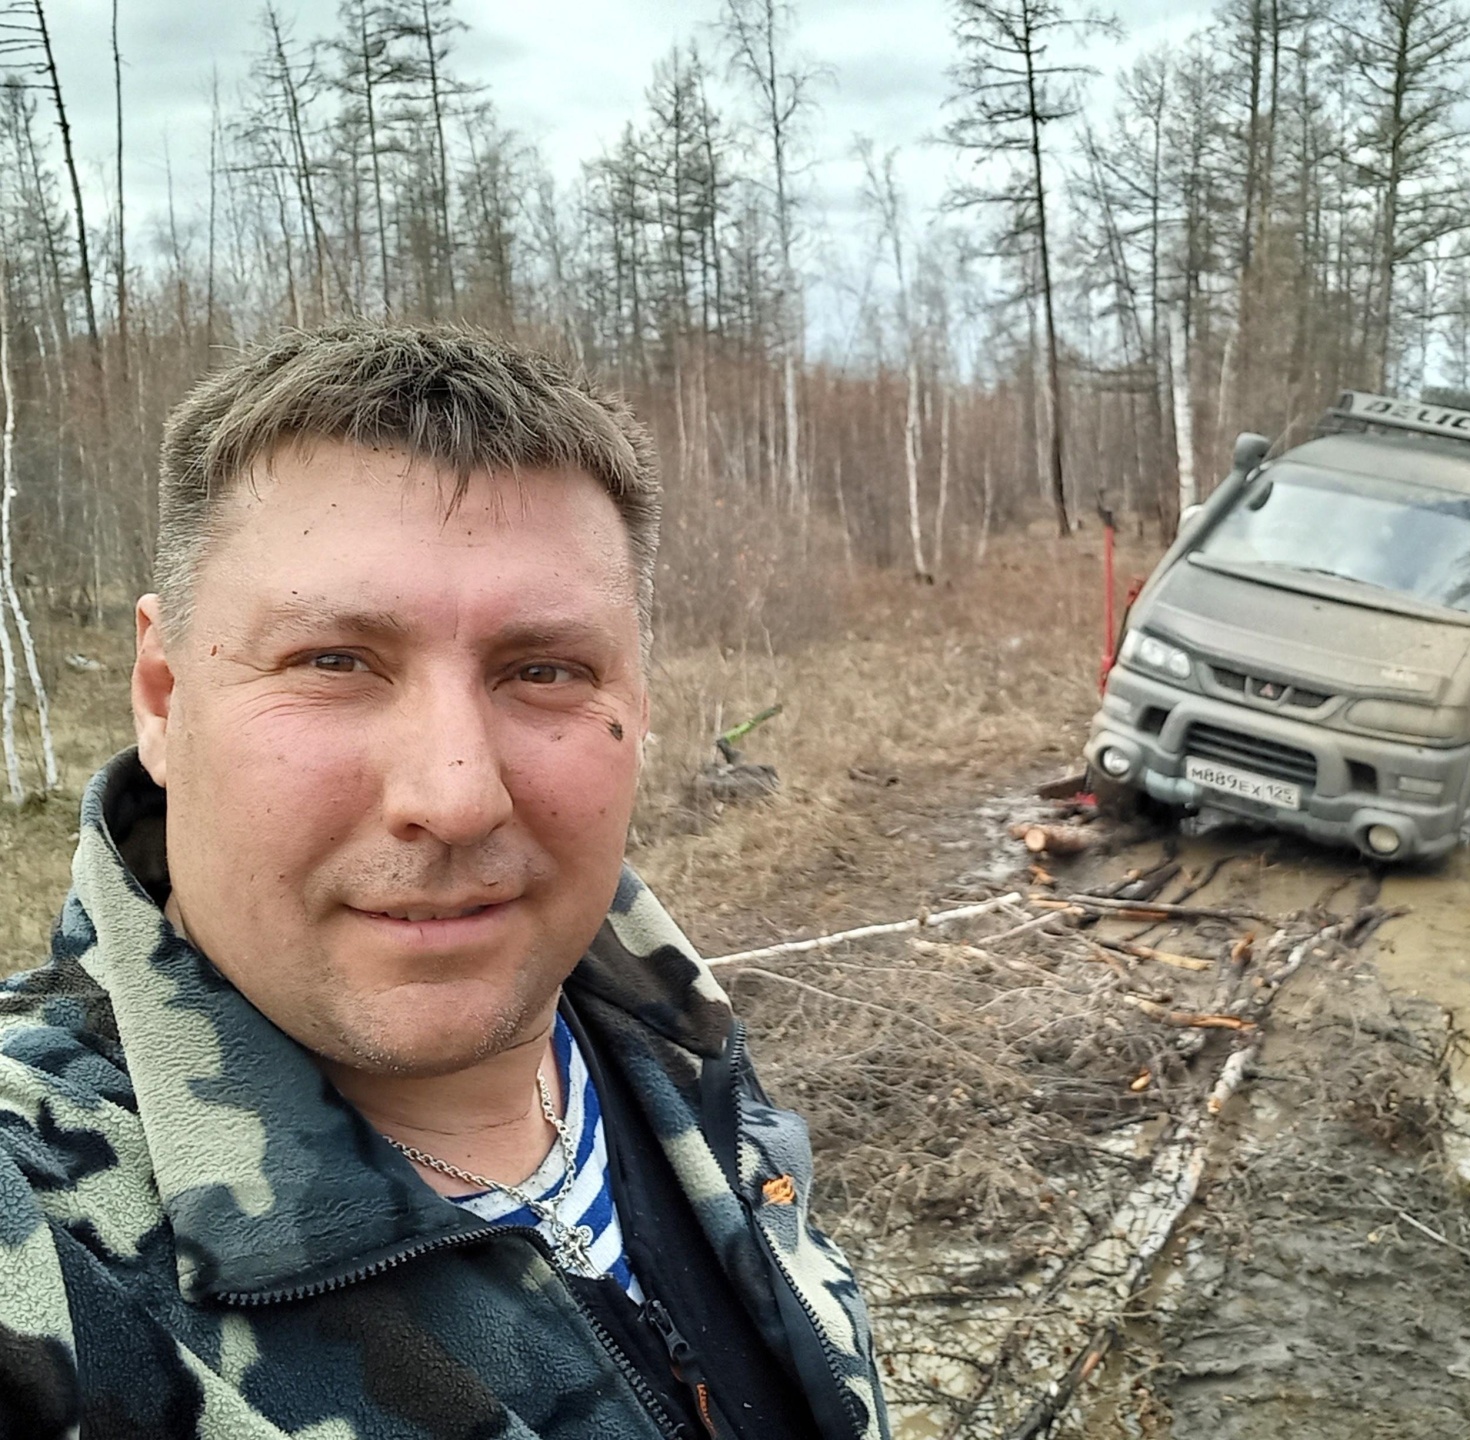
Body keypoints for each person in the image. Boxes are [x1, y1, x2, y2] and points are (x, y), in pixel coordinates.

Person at [0, 324, 888, 1440]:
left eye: (546, 670)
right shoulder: (40, 1240)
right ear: (165, 694)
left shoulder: (666, 1032)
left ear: (640, 705)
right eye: (334, 662)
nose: (458, 795)